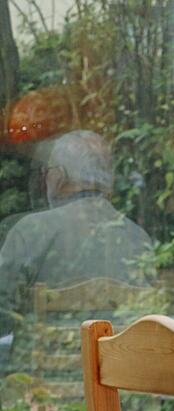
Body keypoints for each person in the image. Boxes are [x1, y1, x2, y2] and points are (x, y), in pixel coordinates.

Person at [0, 130, 153, 320]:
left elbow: (3, 315)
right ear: (108, 181)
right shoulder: (136, 236)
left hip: (46, 349)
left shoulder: (30, 230)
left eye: (46, 172)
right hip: (116, 350)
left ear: (58, 176)